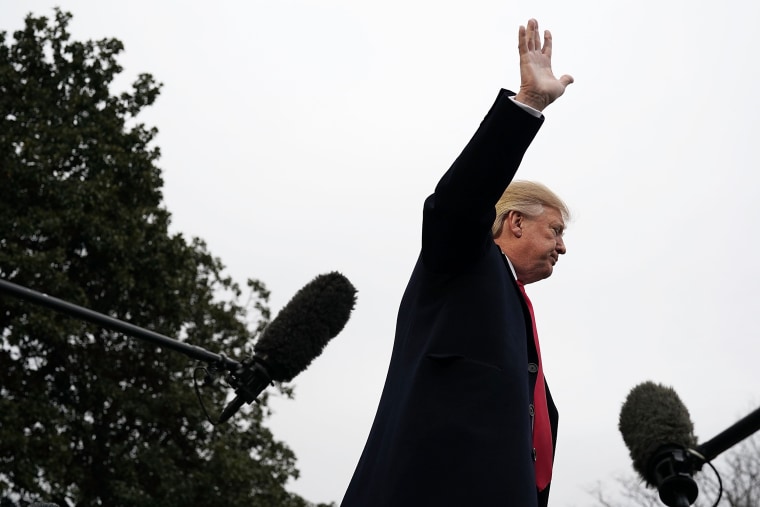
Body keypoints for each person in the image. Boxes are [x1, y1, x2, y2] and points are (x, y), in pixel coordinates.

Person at [340, 18, 573, 507]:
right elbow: (455, 205)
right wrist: (527, 106)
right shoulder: (465, 259)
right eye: (555, 230)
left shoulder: (517, 312)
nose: (562, 247)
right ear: (513, 223)